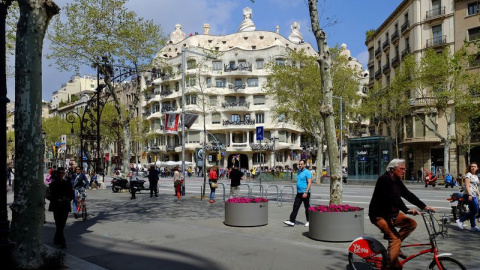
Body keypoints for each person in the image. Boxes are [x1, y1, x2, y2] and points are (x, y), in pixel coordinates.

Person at [369, 159, 436, 270]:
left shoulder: (397, 180)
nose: (404, 171)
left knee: (411, 224)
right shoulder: (384, 179)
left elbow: (408, 195)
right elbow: (394, 197)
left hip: (392, 214)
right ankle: (391, 267)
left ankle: (395, 248)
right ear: (392, 169)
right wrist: (406, 210)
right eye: (402, 169)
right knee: (394, 239)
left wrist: (424, 206)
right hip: (379, 215)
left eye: (405, 169)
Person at [48, 167, 74, 249]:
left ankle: (57, 239)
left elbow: (72, 195)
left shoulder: (68, 184)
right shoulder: (52, 184)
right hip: (56, 206)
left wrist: (65, 198)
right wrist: (56, 199)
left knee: (61, 224)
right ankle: (62, 240)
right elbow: (48, 195)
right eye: (59, 173)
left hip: (65, 206)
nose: (61, 174)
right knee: (58, 223)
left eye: (62, 173)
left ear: (64, 174)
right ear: (57, 173)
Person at [284, 159, 312, 227]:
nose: (300, 165)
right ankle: (292, 221)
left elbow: (309, 182)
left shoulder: (307, 172)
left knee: (307, 207)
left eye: (301, 164)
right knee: (295, 206)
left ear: (304, 164)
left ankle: (309, 221)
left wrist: (306, 192)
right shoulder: (299, 171)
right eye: (299, 164)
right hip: (299, 193)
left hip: (305, 193)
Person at [456, 162, 480, 232]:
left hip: (475, 195)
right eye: (471, 166)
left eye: (474, 166)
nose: (473, 167)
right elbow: (467, 185)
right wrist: (470, 195)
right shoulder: (468, 175)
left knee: (473, 210)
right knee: (475, 210)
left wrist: (479, 195)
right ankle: (460, 220)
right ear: (470, 168)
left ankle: (473, 226)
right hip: (469, 195)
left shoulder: (476, 176)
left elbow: (476, 187)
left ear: (477, 168)